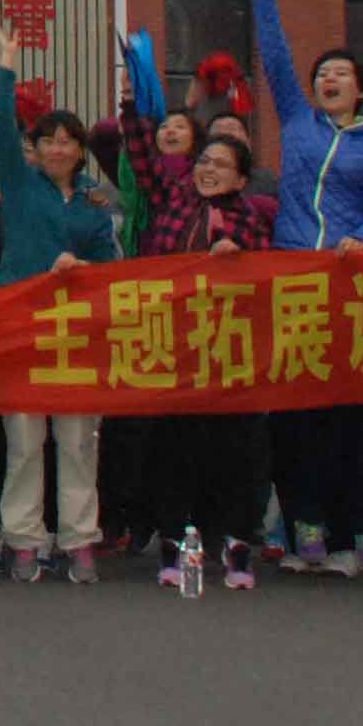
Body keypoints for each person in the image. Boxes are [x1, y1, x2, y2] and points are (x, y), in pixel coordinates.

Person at [249, 0, 363, 574]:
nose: (327, 80)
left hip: (348, 283)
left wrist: (360, 238)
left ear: (361, 89)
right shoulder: (297, 122)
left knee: (351, 415)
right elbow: (275, 58)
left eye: (340, 73)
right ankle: (303, 526)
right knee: (295, 414)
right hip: (293, 279)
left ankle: (357, 530)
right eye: (322, 74)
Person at [0, 28, 124, 582]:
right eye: (47, 141)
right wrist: (6, 66)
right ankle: (23, 539)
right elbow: (0, 129)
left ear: (81, 150)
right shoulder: (19, 184)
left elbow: (109, 266)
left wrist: (81, 268)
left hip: (77, 332)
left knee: (77, 439)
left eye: (68, 141)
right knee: (23, 440)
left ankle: (79, 539)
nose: (57, 149)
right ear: (35, 150)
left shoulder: (97, 203)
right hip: (22, 325)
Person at [136, 128, 278, 591]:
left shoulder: (250, 220)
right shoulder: (173, 205)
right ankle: (173, 544)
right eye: (204, 162)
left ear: (241, 180)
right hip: (176, 349)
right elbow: (141, 157)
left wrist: (238, 258)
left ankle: (236, 547)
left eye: (220, 165)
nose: (208, 170)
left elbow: (267, 279)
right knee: (175, 451)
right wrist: (131, 103)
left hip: (230, 355)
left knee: (235, 456)